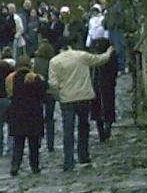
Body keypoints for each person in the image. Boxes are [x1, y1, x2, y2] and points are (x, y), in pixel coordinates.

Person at [48, 36, 115, 170]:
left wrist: (58, 96)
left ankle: (69, 161)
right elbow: (100, 60)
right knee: (84, 127)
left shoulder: (55, 62)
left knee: (68, 131)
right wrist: (109, 52)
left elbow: (53, 84)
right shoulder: (81, 56)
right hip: (84, 97)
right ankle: (83, 155)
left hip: (67, 99)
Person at [7, 61, 49, 175]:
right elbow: (44, 96)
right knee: (34, 143)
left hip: (18, 113)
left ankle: (15, 164)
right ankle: (34, 166)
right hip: (33, 113)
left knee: (18, 143)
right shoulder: (36, 79)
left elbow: (9, 94)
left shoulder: (12, 78)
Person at [92, 39, 120, 143]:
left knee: (98, 108)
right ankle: (106, 128)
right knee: (107, 106)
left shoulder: (97, 57)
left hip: (100, 85)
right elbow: (115, 70)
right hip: (107, 84)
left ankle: (102, 131)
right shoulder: (111, 57)